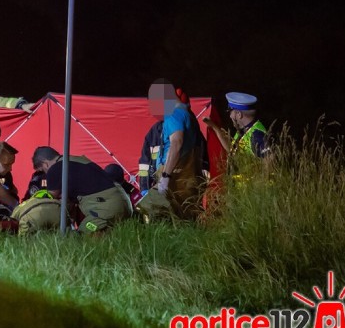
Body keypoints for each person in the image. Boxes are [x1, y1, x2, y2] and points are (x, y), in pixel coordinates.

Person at [139, 79, 206, 221]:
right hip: (188, 177)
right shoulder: (189, 116)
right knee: (186, 219)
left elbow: (177, 143)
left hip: (175, 177)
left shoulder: (173, 114)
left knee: (155, 215)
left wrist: (165, 177)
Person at [31, 146, 132, 232]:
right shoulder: (78, 160)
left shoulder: (54, 169)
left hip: (105, 209)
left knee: (83, 235)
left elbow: (50, 199)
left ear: (45, 164)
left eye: (43, 171)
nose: (45, 174)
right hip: (124, 204)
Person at [204, 92, 270, 159]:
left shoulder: (257, 135)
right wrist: (214, 127)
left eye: (230, 112)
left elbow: (269, 161)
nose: (230, 116)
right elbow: (232, 150)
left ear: (239, 114)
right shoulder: (244, 130)